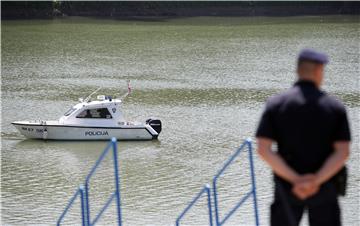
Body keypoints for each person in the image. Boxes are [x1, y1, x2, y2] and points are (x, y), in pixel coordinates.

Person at [256, 49, 351, 226]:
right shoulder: (334, 107)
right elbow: (343, 152)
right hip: (325, 187)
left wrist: (296, 180)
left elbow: (263, 149)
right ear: (319, 71)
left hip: (287, 188)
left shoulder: (276, 105)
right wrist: (315, 181)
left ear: (298, 70)